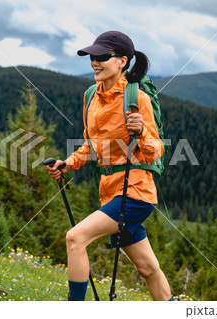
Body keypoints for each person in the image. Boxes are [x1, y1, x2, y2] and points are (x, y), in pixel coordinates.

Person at [47, 30, 172, 301]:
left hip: (136, 192)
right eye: (92, 56)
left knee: (75, 237)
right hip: (110, 192)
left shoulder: (137, 98)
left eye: (102, 56)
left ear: (122, 61)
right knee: (148, 268)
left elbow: (155, 151)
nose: (94, 62)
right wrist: (68, 163)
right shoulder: (91, 96)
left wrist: (141, 133)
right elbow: (91, 145)